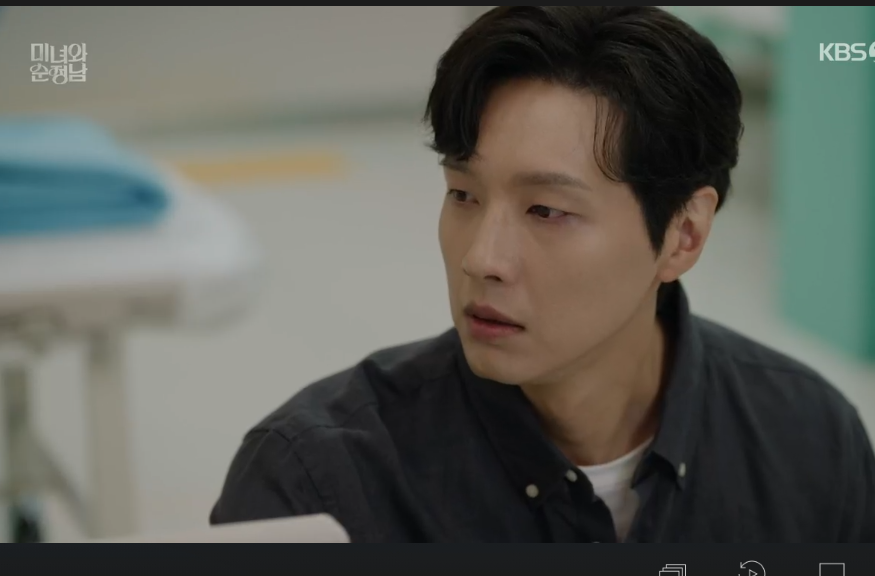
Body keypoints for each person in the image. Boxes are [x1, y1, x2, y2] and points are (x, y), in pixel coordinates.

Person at [210, 6, 875, 542]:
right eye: (463, 194)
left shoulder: (809, 439)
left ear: (683, 234)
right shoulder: (315, 485)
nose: (481, 258)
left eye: (546, 210)